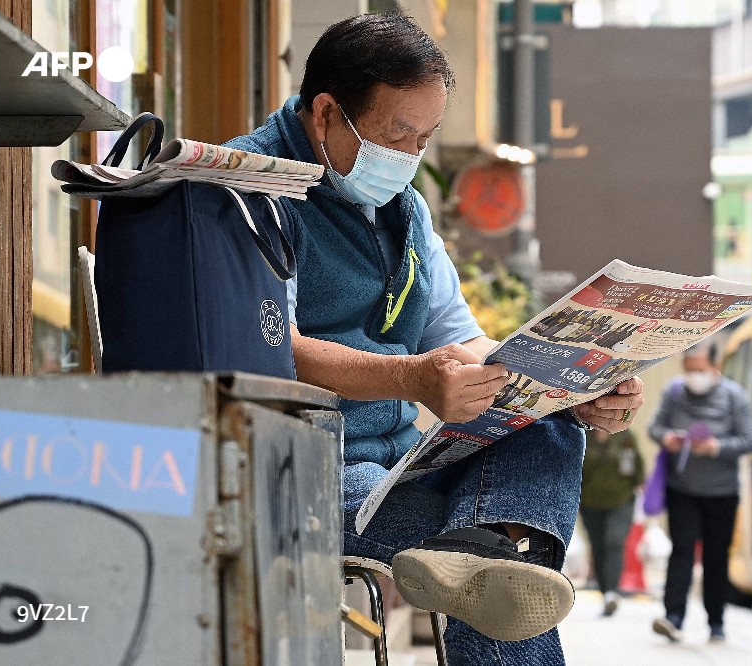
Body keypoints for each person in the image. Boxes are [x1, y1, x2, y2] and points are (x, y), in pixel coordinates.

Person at [225, 13, 645, 664]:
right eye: (398, 134)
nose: (410, 156)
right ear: (328, 113)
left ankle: (485, 542)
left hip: (394, 464)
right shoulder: (250, 191)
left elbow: (462, 339)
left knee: (548, 433)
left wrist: (566, 388)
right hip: (298, 469)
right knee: (503, 573)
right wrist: (414, 378)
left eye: (425, 138)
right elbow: (273, 348)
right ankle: (485, 548)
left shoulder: (408, 210)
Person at [647, 340, 752, 643]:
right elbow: (654, 427)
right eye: (688, 370)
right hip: (682, 488)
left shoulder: (735, 397)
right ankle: (673, 616)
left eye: (700, 370)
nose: (694, 376)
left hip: (722, 493)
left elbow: (750, 440)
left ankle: (716, 620)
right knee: (681, 550)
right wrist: (667, 438)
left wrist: (716, 448)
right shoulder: (673, 392)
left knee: (716, 556)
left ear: (715, 367)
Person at [579, 428, 645, 617]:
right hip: (590, 502)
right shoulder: (584, 435)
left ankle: (612, 592)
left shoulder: (625, 436)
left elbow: (637, 467)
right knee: (598, 546)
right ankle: (605, 591)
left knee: (614, 542)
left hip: (621, 500)